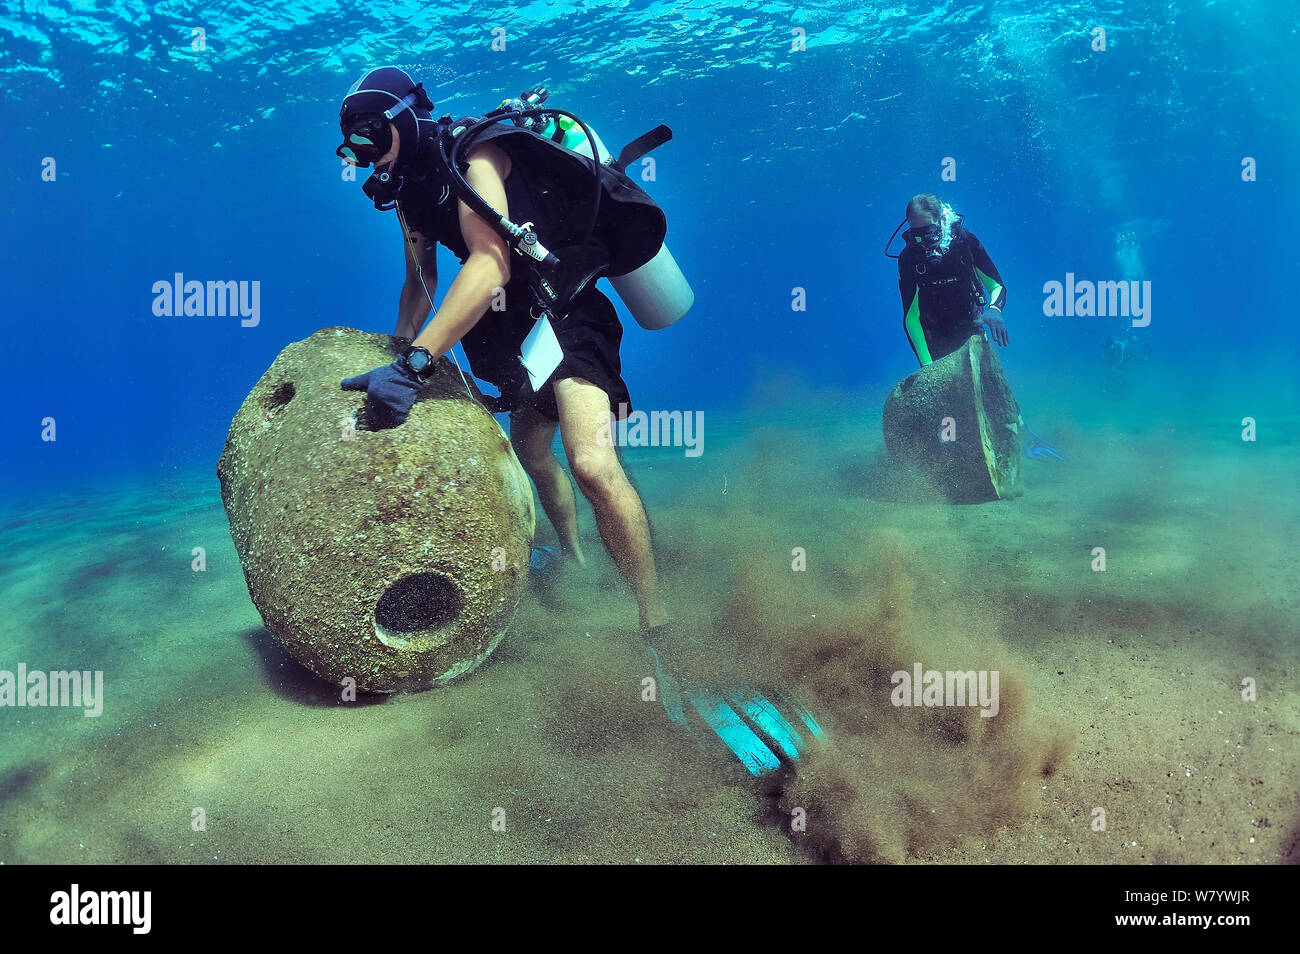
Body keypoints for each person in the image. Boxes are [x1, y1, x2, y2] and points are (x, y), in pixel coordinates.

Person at [333, 67, 821, 775]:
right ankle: (580, 561)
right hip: (509, 341)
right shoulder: (412, 196)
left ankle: (661, 629)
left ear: (403, 122)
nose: (364, 158)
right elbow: (422, 281)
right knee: (533, 449)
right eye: (351, 150)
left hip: (568, 317)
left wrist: (414, 366)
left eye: (370, 139)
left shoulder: (477, 156)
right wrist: (392, 352)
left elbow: (491, 265)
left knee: (590, 462)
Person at [893, 193, 1008, 366]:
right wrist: (927, 366)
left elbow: (996, 286)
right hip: (934, 332)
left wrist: (994, 310)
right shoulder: (909, 258)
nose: (922, 241)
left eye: (928, 233)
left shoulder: (966, 243)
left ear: (943, 221)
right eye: (916, 234)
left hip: (971, 323)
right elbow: (911, 317)